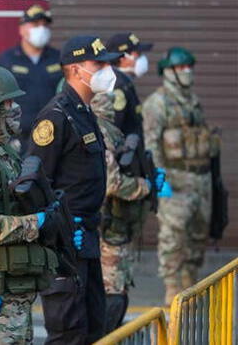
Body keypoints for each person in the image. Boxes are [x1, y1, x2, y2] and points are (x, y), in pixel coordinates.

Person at [0, 65, 79, 344]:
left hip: (14, 296)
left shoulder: (5, 153)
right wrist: (38, 224)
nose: (16, 108)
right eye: (8, 102)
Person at [26, 36, 121, 345]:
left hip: (88, 236)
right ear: (77, 70)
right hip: (65, 242)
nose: (108, 70)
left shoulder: (84, 111)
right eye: (99, 64)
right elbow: (36, 184)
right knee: (68, 332)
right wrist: (55, 232)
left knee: (94, 327)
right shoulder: (56, 116)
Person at [143, 47, 219, 305]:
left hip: (200, 179)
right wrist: (159, 178)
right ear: (169, 71)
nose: (187, 71)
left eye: (189, 67)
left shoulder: (192, 101)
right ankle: (172, 287)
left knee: (198, 235)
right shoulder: (158, 102)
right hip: (176, 180)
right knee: (173, 237)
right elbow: (151, 144)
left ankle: (190, 283)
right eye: (182, 67)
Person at [90, 91, 156, 332]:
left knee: (115, 288)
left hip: (112, 222)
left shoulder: (104, 130)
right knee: (113, 288)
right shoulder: (101, 133)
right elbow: (112, 183)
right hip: (106, 224)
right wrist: (144, 186)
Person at [0, 4, 62, 151]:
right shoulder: (7, 60)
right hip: (18, 138)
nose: (41, 29)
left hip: (53, 135)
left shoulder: (58, 59)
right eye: (35, 24)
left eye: (45, 25)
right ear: (22, 29)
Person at [106, 32, 153, 138]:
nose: (143, 58)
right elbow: (115, 128)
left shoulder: (125, 82)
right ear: (122, 58)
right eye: (138, 54)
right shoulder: (117, 86)